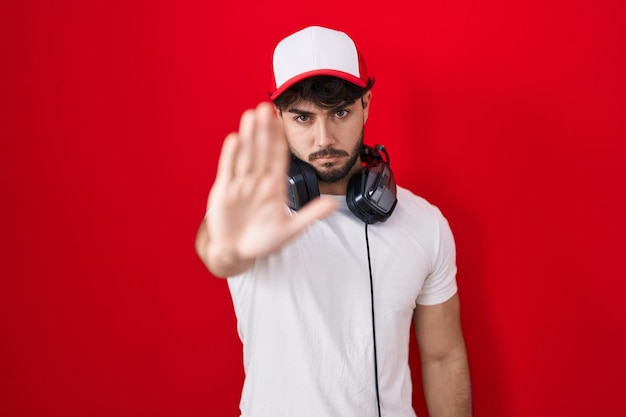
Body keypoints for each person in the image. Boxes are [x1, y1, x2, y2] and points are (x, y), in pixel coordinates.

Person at [195, 25, 472, 417]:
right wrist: (225, 248)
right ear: (279, 118)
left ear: (367, 105)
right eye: (303, 118)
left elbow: (444, 356)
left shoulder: (424, 223)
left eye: (340, 112)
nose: (324, 138)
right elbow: (219, 251)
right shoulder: (251, 213)